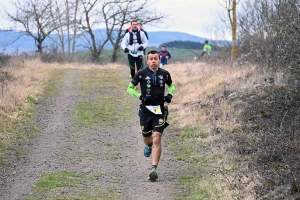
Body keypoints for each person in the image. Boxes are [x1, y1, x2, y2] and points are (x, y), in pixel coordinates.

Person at [127, 50, 175, 181]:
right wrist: (140, 96)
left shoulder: (165, 74)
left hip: (159, 111)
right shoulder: (141, 74)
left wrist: (170, 95)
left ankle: (154, 168)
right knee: (148, 140)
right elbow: (129, 88)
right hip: (145, 112)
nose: (153, 61)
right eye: (151, 59)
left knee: (157, 138)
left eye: (156, 59)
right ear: (147, 61)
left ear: (160, 60)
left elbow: (171, 86)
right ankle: (147, 145)